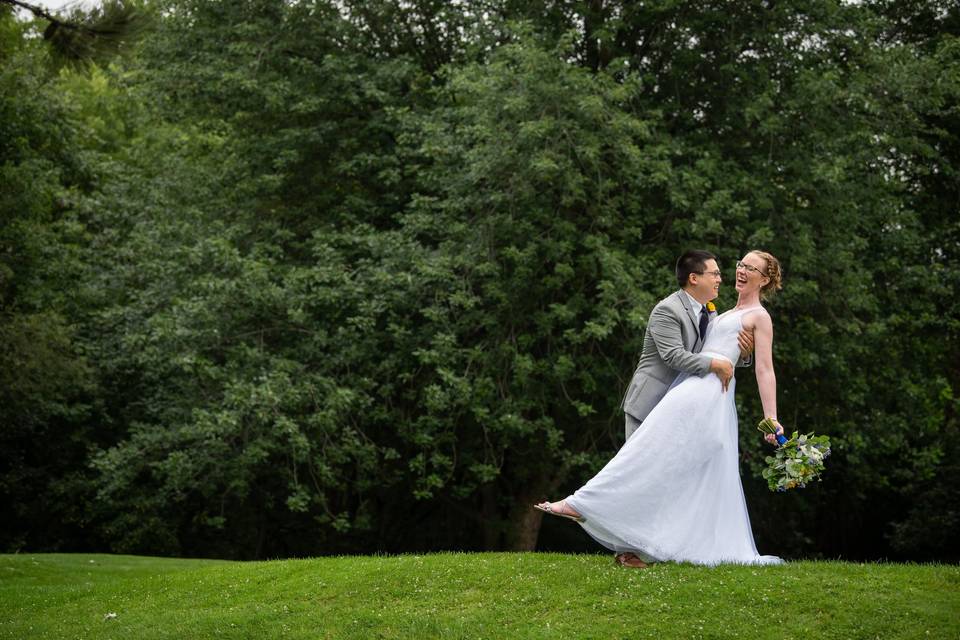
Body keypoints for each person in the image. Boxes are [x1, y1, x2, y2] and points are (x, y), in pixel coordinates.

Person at [535, 250, 786, 568]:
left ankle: (594, 514)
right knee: (646, 461)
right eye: (741, 264)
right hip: (687, 393)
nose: (738, 271)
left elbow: (765, 369)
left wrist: (771, 417)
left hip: (708, 397)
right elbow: (702, 354)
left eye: (750, 268)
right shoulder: (715, 314)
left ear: (763, 279)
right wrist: (727, 359)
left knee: (671, 468)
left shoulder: (759, 317)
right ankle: (587, 509)